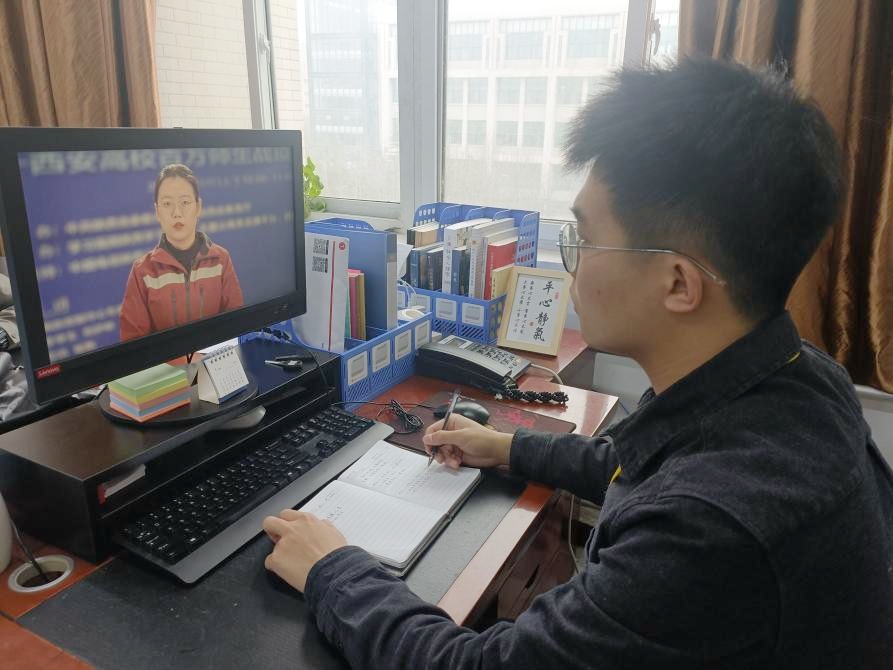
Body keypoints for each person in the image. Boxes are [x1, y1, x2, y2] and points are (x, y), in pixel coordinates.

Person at [262, 59, 893, 668]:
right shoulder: (798, 377)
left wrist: (332, 569)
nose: (574, 262)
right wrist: (507, 447)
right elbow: (639, 464)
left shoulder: (705, 533)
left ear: (679, 283)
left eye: (587, 238)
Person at [119, 163, 244, 341]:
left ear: (198, 207)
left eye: (185, 202)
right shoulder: (142, 271)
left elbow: (236, 325)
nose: (176, 213)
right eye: (167, 204)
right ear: (157, 211)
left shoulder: (220, 259)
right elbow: (133, 343)